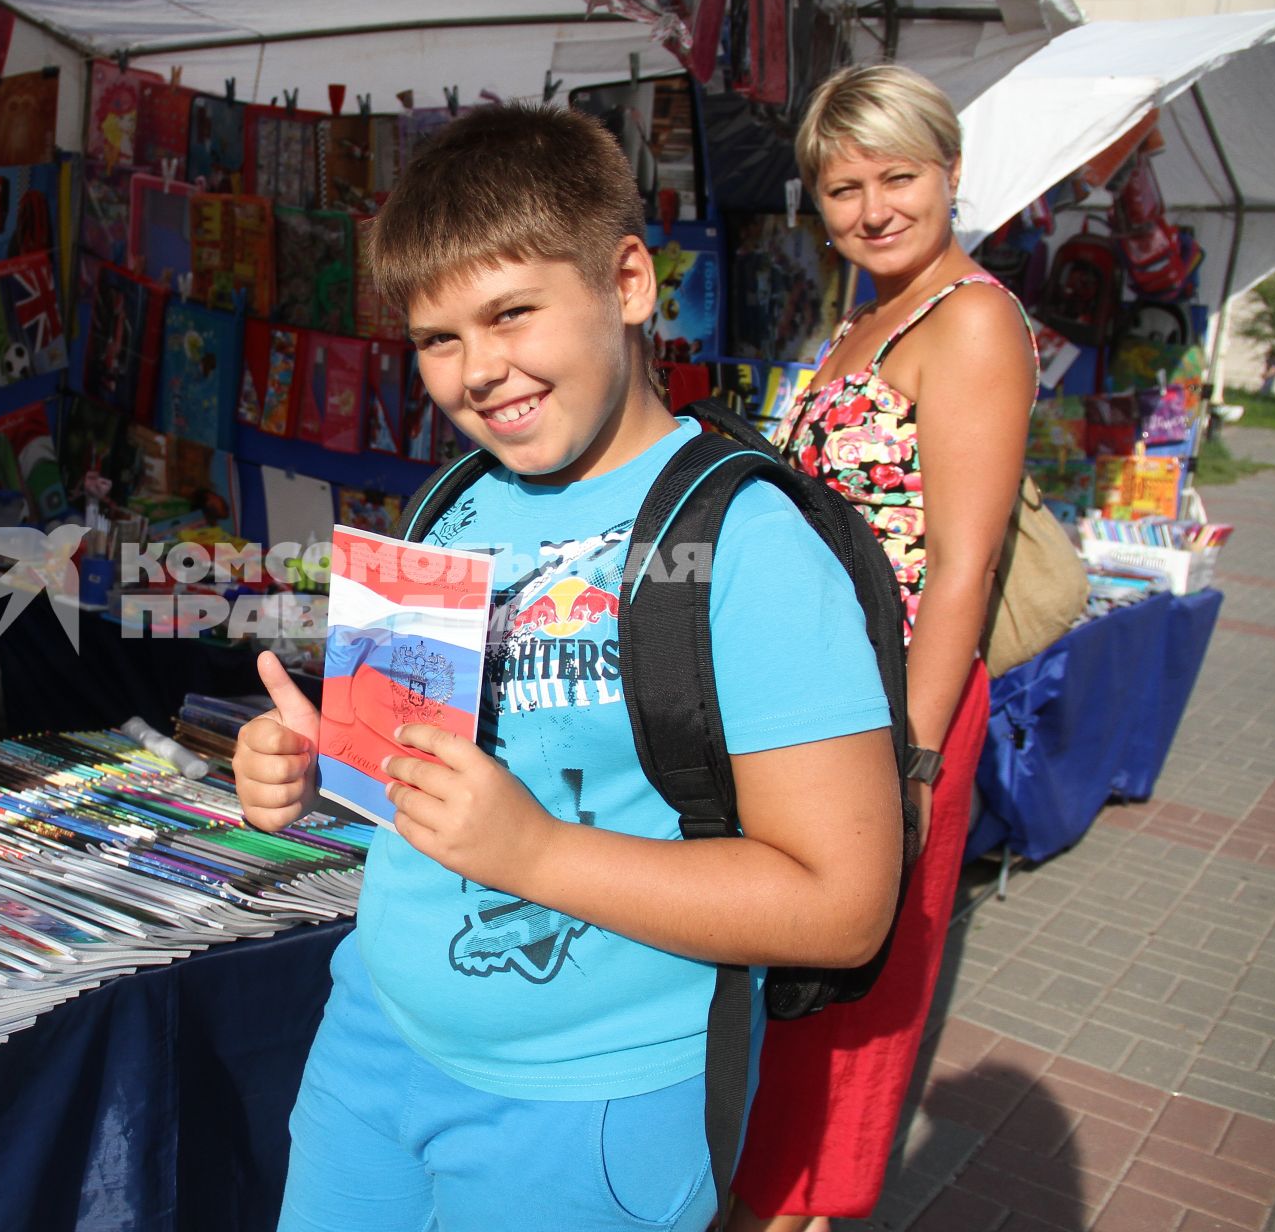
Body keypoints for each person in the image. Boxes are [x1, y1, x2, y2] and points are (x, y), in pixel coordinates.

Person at [231, 104, 904, 1232]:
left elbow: (841, 907)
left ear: (629, 282)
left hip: (589, 1102)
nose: (478, 371)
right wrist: (312, 767)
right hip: (373, 1038)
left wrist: (533, 852)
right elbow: (426, 776)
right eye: (439, 338)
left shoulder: (747, 542)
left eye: (512, 313)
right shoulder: (449, 506)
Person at [729, 65, 1038, 1232]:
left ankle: (798, 1210)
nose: (872, 207)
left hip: (897, 707)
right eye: (842, 185)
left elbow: (963, 561)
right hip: (827, 698)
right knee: (800, 983)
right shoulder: (871, 313)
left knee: (849, 999)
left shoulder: (968, 318)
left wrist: (909, 757)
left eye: (898, 176)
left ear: (951, 171)